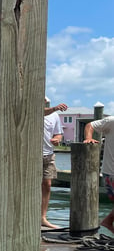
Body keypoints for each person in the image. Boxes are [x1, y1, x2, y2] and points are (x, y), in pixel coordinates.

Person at [84, 115, 114, 233]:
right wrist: (88, 138)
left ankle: (107, 221)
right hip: (111, 172)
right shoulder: (112, 121)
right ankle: (107, 221)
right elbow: (90, 125)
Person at [43, 97, 68, 229]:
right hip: (31, 156)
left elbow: (59, 133)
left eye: (46, 101)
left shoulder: (54, 116)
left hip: (48, 155)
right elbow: (39, 111)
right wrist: (55, 108)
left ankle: (43, 217)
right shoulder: (31, 111)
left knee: (47, 184)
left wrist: (57, 139)